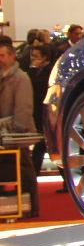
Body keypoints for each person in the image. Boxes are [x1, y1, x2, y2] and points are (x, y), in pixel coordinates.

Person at [0, 37, 39, 216]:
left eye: (2, 55)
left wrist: (17, 131)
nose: (0, 59)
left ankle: (32, 207)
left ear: (12, 56)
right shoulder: (4, 77)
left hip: (18, 134)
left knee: (25, 170)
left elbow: (24, 107)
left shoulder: (21, 78)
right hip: (4, 133)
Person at [26, 44, 53, 176]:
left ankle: (32, 174)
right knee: (42, 145)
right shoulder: (37, 71)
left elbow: (37, 87)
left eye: (36, 56)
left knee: (43, 145)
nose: (33, 58)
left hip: (46, 113)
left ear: (45, 58)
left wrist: (31, 70)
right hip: (38, 113)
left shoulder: (49, 71)